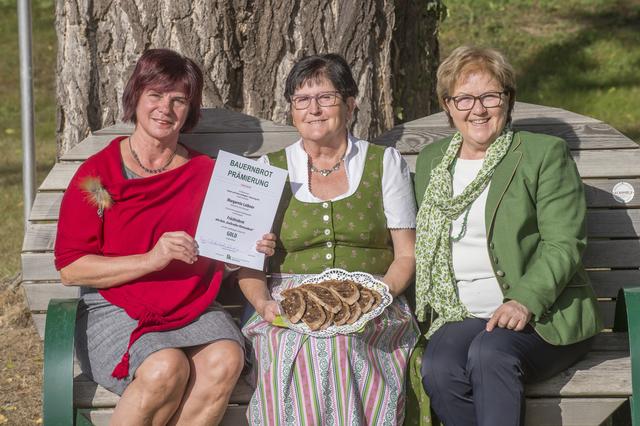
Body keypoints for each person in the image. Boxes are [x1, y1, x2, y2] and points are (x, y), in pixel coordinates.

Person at [54, 48, 275, 425]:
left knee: (226, 359)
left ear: (189, 111)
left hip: (191, 304)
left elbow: (225, 250)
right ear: (136, 97)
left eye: (179, 100)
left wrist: (247, 249)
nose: (165, 109)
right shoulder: (98, 176)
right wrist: (152, 259)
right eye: (155, 95)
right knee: (165, 367)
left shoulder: (207, 175)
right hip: (115, 307)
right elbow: (72, 269)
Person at [412, 45, 602, 426]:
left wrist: (523, 300)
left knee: (490, 353)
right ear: (448, 106)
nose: (477, 109)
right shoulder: (432, 161)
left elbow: (563, 243)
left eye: (490, 96)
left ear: (508, 100)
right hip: (459, 312)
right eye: (464, 98)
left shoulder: (542, 154)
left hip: (542, 317)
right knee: (438, 367)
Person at [238, 53, 420, 425]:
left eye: (327, 97)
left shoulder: (383, 163)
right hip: (285, 302)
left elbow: (406, 256)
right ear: (292, 109)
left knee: (340, 346)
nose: (314, 109)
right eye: (302, 99)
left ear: (350, 105)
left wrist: (375, 298)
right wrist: (263, 305)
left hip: (373, 300)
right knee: (292, 347)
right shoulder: (265, 170)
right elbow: (245, 262)